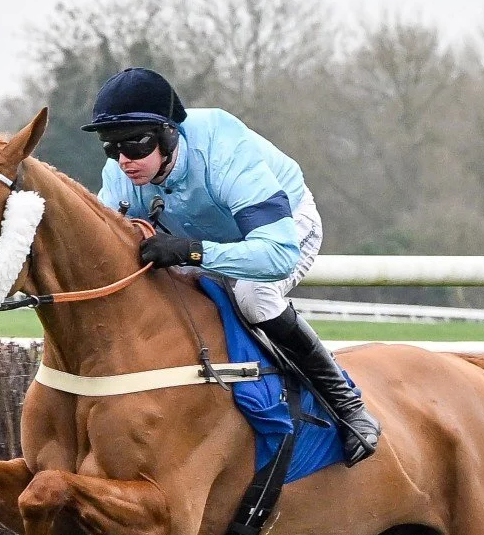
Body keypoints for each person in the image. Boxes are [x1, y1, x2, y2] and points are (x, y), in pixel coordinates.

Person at [84, 67, 381, 464]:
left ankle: (347, 405)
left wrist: (192, 253)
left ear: (169, 134)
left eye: (134, 147)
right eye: (111, 148)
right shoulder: (121, 175)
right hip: (201, 235)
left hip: (284, 226)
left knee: (253, 296)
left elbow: (275, 254)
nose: (123, 161)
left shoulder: (224, 151)